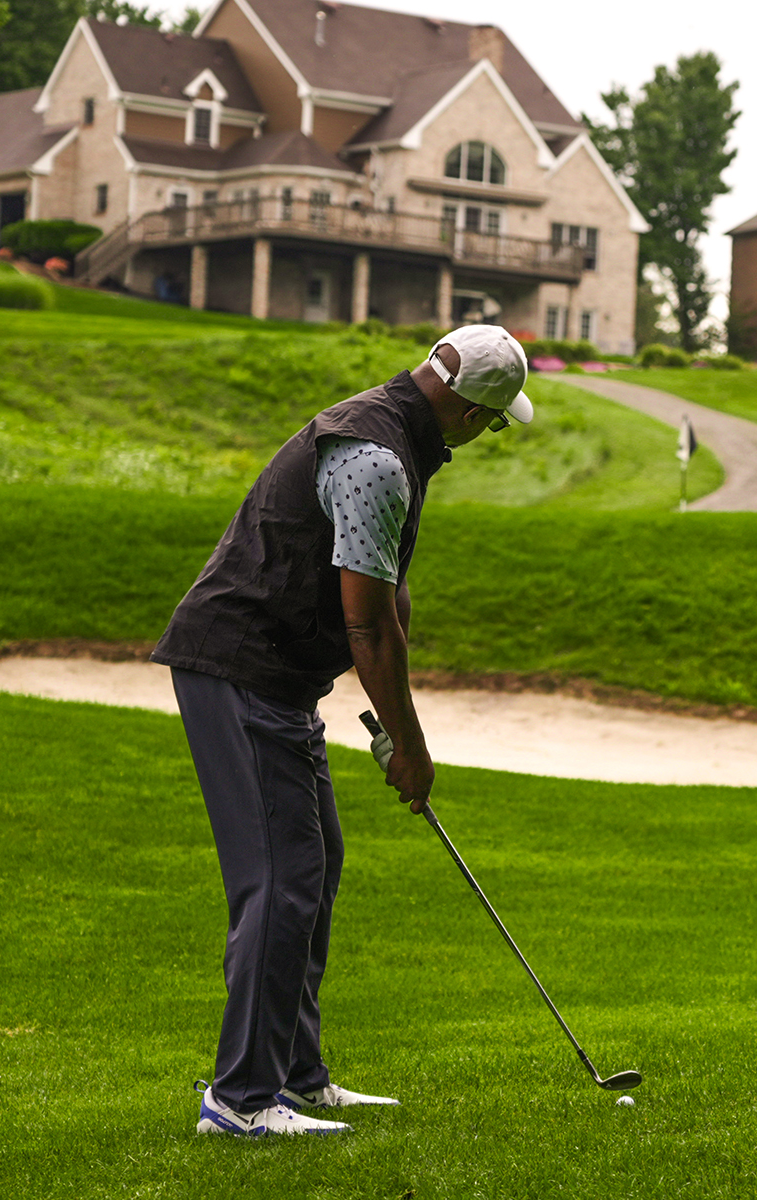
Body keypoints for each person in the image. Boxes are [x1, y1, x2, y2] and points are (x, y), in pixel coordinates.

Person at [151, 325, 535, 1136]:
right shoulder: (377, 457)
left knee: (314, 866)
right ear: (471, 413)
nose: (488, 434)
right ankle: (241, 1101)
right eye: (496, 423)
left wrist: (398, 723)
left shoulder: (395, 435)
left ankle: (295, 1075)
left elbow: (386, 594)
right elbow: (367, 629)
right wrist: (414, 749)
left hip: (276, 677)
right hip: (242, 667)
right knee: (281, 878)